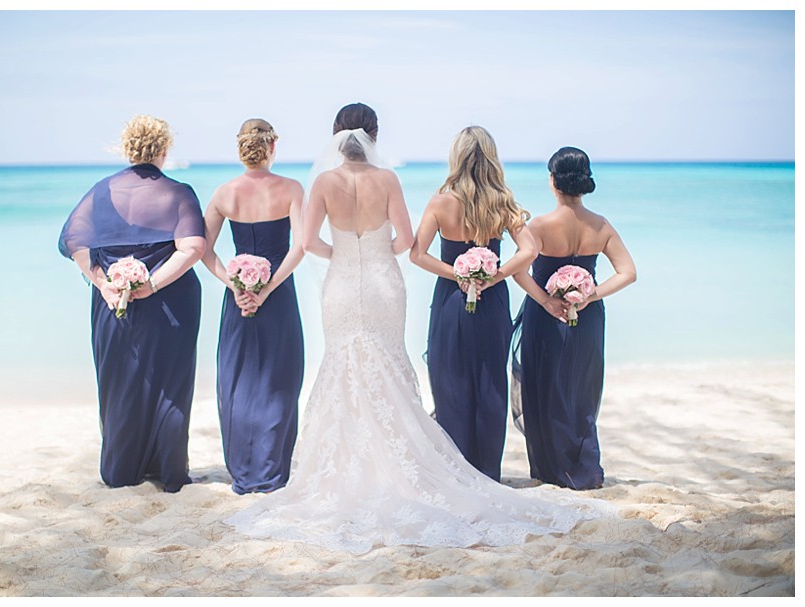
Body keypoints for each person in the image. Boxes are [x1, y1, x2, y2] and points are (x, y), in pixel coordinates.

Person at [226, 103, 605, 554]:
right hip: (386, 284)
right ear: (373, 136)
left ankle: (354, 467)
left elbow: (308, 243)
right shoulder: (388, 180)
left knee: (344, 364)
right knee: (388, 363)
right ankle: (447, 465)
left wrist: (348, 256)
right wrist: (381, 255)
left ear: (335, 137)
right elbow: (405, 243)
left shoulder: (324, 183)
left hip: (343, 284)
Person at [58, 115, 206, 493]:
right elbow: (193, 249)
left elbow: (74, 242)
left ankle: (122, 470)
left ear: (127, 149)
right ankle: (168, 470)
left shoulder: (100, 191)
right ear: (164, 149)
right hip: (171, 303)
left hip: (113, 305)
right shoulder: (179, 192)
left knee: (118, 382)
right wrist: (152, 285)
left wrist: (104, 283)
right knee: (170, 385)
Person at [410, 126, 536, 482]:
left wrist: (457, 275)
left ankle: (456, 472)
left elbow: (416, 254)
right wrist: (495, 277)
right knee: (490, 383)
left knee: (450, 380)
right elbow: (529, 250)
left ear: (457, 157)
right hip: (493, 302)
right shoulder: (502, 201)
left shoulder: (440, 201)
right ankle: (487, 473)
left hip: (451, 301)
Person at [511, 146, 637, 490]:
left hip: (544, 316)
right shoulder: (601, 225)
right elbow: (627, 273)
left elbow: (518, 273)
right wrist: (589, 295)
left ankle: (550, 470)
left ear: (553, 181)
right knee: (581, 389)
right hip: (587, 317)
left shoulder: (538, 225)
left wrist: (547, 302)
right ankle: (583, 467)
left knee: (543, 388)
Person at [200, 118, 305, 495]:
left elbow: (203, 251)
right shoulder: (292, 189)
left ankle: (244, 471)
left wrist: (236, 284)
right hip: (278, 299)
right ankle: (272, 471)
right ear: (272, 146)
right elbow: (300, 247)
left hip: (238, 300)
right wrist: (268, 288)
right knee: (281, 379)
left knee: (239, 380)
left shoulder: (224, 193)